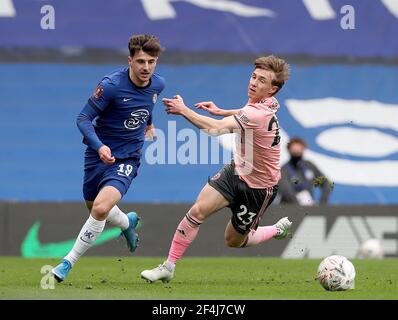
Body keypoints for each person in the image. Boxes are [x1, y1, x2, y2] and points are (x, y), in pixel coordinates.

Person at [141, 55, 292, 283]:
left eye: (262, 81)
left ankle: (276, 230)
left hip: (260, 188)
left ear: (272, 89)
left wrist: (183, 110)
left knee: (233, 241)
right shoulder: (266, 104)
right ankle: (168, 266)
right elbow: (244, 114)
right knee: (197, 211)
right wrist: (221, 111)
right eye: (253, 76)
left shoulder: (257, 113)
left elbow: (216, 130)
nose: (253, 83)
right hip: (236, 171)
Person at [51, 35, 165, 282]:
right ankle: (126, 223)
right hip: (97, 155)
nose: (146, 68)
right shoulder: (111, 85)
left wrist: (149, 124)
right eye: (141, 61)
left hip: (127, 157)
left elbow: (147, 106)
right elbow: (83, 118)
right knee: (94, 207)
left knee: (101, 208)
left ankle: (66, 263)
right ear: (130, 61)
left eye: (152, 62)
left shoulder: (158, 85)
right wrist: (100, 146)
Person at [279, 137, 332, 205]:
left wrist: (322, 203)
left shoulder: (309, 166)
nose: (297, 152)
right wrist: (299, 205)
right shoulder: (284, 169)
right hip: (289, 208)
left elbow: (326, 183)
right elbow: (286, 191)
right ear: (289, 150)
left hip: (308, 207)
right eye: (294, 150)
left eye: (299, 150)